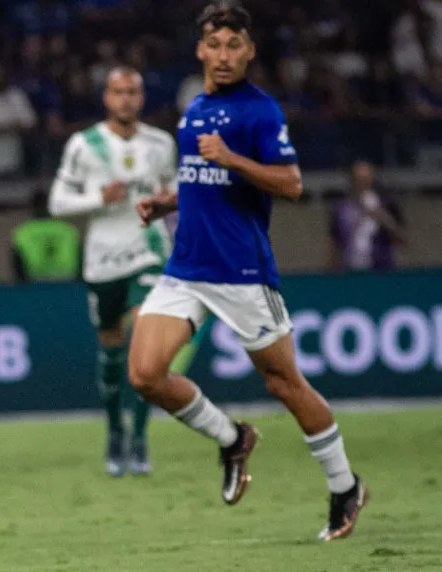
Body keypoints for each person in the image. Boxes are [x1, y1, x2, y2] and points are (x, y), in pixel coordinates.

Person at [129, 2, 367, 541]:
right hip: (187, 266)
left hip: (241, 272)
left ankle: (344, 483)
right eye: (214, 45)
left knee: (284, 382)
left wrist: (234, 159)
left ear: (250, 50)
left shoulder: (260, 112)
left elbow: (291, 184)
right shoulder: (195, 106)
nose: (223, 55)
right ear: (200, 50)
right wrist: (167, 202)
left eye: (234, 45)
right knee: (144, 374)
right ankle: (232, 438)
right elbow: (201, 180)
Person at [48, 67, 177, 476]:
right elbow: (57, 203)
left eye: (133, 92)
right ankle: (114, 430)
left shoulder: (160, 144)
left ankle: (140, 437)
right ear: (106, 97)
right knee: (111, 349)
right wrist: (97, 197)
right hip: (103, 258)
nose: (126, 99)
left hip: (149, 252)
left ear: (142, 97)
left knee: (146, 348)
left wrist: (166, 203)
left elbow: (177, 194)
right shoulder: (84, 145)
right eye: (119, 92)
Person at [329, 160, 404, 272]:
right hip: (351, 268)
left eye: (365, 179)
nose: (362, 183)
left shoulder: (387, 204)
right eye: (358, 179)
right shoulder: (341, 208)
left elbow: (401, 238)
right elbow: (335, 242)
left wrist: (383, 217)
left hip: (381, 267)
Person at [11, 189, 80, 283]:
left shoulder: (22, 232)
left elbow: (17, 265)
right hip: (67, 281)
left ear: (32, 208)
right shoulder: (68, 230)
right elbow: (81, 260)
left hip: (35, 282)